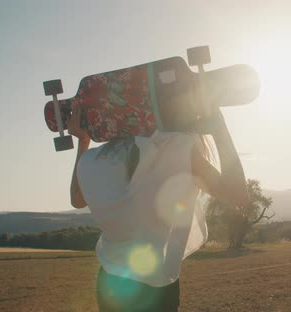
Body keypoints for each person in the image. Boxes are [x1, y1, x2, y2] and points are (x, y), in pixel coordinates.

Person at [67, 103, 250, 311]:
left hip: (110, 280)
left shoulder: (95, 158)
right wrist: (219, 127)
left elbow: (77, 199)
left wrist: (83, 142)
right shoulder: (178, 149)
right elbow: (238, 196)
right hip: (156, 286)